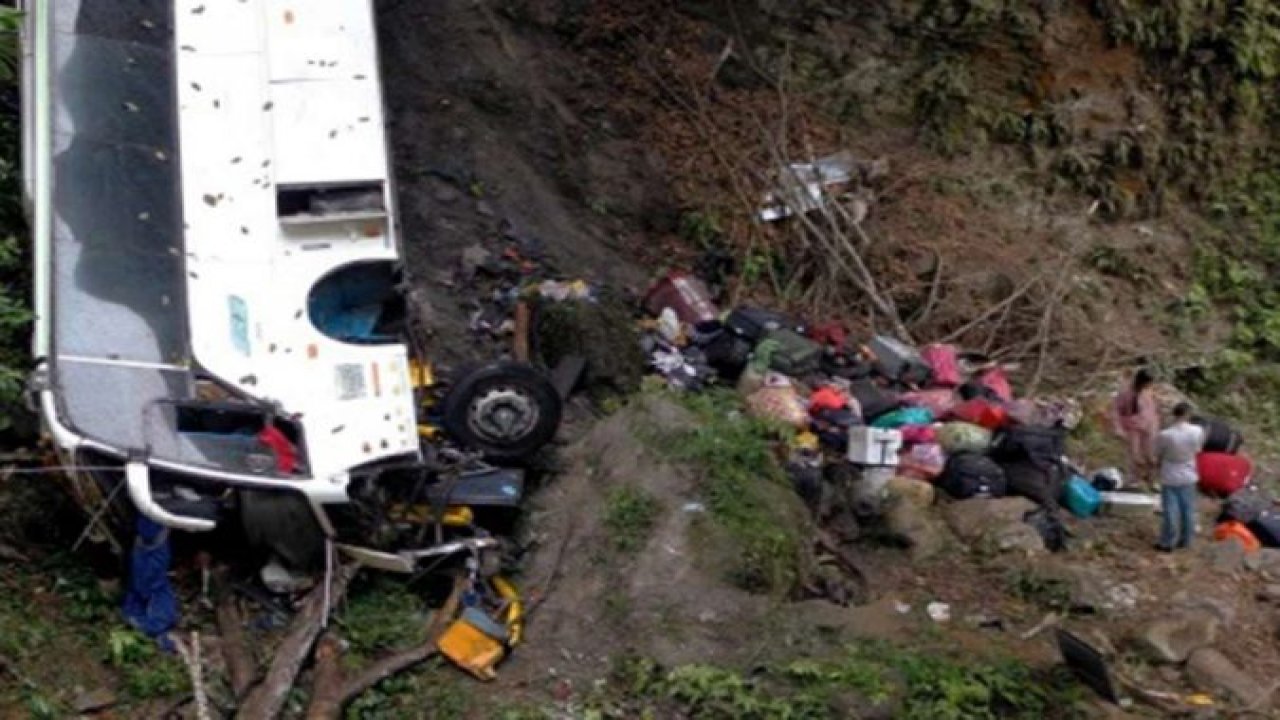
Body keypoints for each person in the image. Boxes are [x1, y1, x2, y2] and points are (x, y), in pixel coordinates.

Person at [1154, 402, 1205, 552]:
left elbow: (1158, 453)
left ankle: (1167, 541)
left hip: (1170, 472)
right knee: (1188, 509)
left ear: (1174, 415)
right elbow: (1198, 449)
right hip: (1189, 472)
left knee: (1170, 509)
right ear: (1188, 414)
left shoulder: (1165, 435)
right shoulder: (1197, 431)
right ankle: (1186, 539)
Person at [1110, 369, 1159, 490]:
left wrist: (1155, 425)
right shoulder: (1126, 393)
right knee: (1135, 456)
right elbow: (1116, 410)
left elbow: (1152, 410)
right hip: (1132, 428)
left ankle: (1151, 480)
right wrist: (1118, 428)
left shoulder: (1148, 392)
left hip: (1149, 427)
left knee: (1151, 456)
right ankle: (1134, 480)